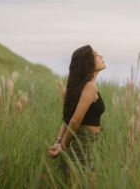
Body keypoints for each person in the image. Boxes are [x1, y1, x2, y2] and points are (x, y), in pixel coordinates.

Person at [47, 44, 106, 188]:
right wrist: (63, 145)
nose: (101, 56)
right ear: (88, 61)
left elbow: (68, 119)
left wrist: (60, 141)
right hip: (82, 149)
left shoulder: (85, 86)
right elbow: (75, 120)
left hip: (83, 147)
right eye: (96, 54)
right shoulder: (90, 87)